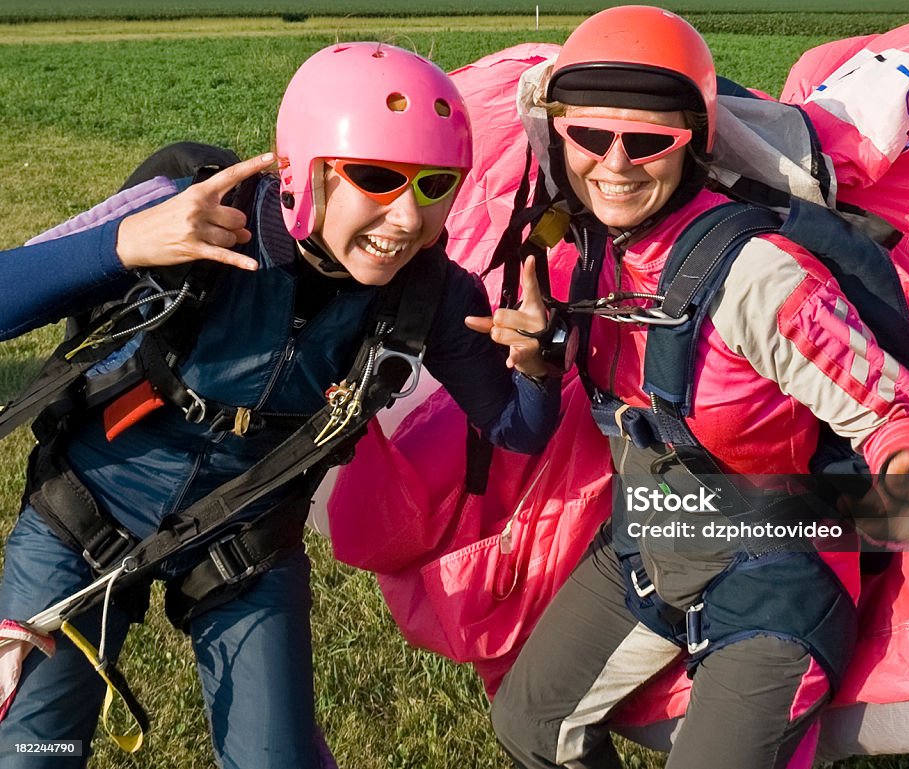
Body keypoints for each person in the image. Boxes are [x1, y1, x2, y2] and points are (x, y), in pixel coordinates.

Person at [0, 42, 558, 768]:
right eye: (378, 178)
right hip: (82, 520)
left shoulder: (431, 291)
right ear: (303, 169)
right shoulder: (194, 211)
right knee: (33, 753)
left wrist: (541, 368)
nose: (404, 218)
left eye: (434, 186)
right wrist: (124, 242)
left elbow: (516, 427)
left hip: (244, 544)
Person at [481, 7, 909, 769]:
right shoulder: (592, 250)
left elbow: (890, 410)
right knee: (529, 723)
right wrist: (547, 355)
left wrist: (907, 465)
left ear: (694, 143)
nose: (614, 164)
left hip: (778, 575)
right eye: (588, 136)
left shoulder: (759, 276)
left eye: (648, 141)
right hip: (651, 539)